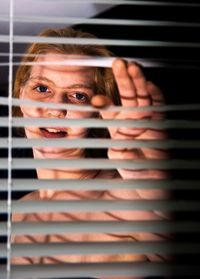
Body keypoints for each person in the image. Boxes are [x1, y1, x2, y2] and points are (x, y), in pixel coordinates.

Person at [11, 27, 170, 277]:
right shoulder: (18, 215)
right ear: (20, 94)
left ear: (97, 112)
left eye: (77, 95)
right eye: (42, 89)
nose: (55, 109)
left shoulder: (131, 199)